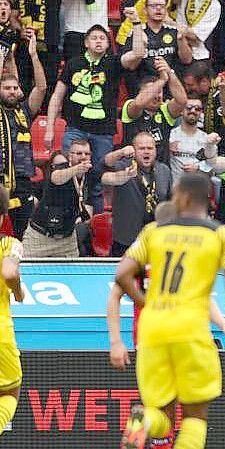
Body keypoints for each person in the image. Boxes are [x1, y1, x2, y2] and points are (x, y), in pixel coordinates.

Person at [114, 173, 225, 449]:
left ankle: (144, 420)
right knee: (195, 417)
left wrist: (145, 302)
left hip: (152, 329)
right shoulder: (224, 234)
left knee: (161, 412)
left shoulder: (153, 231)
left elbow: (122, 274)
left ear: (183, 197)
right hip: (190, 330)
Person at [46, 24, 121, 213]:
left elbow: (136, 54)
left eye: (102, 38)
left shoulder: (114, 63)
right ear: (86, 43)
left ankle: (94, 228)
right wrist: (49, 129)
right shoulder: (74, 63)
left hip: (103, 132)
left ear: (107, 43)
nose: (98, 41)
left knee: (95, 183)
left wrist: (136, 24)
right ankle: (65, 219)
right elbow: (57, 96)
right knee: (66, 173)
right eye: (94, 38)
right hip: (75, 129)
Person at [0, 30, 45, 239]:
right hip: (0, 178)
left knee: (23, 234)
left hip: (22, 180)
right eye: (6, 87)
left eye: (14, 87)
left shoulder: (25, 111)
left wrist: (34, 55)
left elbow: (42, 88)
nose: (11, 91)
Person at [102, 133, 173, 257]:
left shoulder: (164, 170)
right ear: (133, 151)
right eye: (141, 148)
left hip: (155, 241)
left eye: (150, 148)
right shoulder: (122, 166)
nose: (146, 152)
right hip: (125, 241)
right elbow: (103, 165)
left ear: (156, 151)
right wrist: (121, 156)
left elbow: (170, 202)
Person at [23, 140, 93, 258]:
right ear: (70, 156)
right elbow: (56, 178)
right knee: (24, 272)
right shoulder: (61, 169)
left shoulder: (90, 175)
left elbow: (89, 203)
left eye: (87, 154)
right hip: (39, 236)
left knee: (72, 275)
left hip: (67, 240)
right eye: (79, 153)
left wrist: (124, 175)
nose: (83, 157)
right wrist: (76, 169)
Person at [121, 57, 188, 164]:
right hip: (132, 169)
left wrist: (169, 73)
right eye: (153, 91)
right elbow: (139, 103)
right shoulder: (130, 106)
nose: (157, 95)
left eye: (159, 91)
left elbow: (182, 101)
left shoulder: (165, 110)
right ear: (140, 93)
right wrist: (162, 80)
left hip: (160, 169)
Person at [120, 3, 193, 96]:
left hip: (170, 88)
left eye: (162, 6)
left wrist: (181, 40)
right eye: (154, 6)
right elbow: (131, 66)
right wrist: (141, 48)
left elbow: (187, 60)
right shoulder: (137, 32)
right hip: (144, 87)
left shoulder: (175, 31)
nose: (158, 9)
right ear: (145, 10)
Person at [0, 186, 24, 439]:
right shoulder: (9, 243)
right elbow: (9, 273)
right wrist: (18, 292)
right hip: (1, 336)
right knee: (9, 394)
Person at [168, 96, 217, 181]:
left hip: (198, 190)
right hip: (175, 190)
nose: (193, 111)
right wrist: (166, 147)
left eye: (197, 109)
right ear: (181, 111)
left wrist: (199, 168)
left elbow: (214, 168)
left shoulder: (207, 139)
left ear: (201, 112)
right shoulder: (170, 136)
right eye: (189, 108)